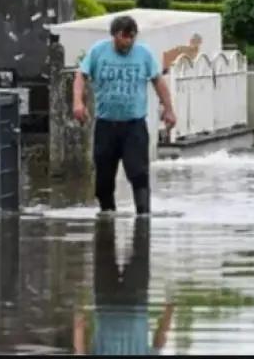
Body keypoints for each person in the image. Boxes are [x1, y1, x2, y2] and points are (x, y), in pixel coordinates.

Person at [72, 15, 176, 216]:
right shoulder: (98, 51)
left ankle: (143, 216)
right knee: (103, 178)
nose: (128, 41)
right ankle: (107, 217)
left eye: (132, 37)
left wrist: (169, 109)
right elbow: (80, 76)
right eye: (124, 37)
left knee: (138, 173)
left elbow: (158, 81)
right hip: (106, 124)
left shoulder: (143, 53)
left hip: (134, 125)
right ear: (114, 35)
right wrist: (78, 102)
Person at [73, 218, 175, 355]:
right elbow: (80, 350)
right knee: (105, 246)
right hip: (109, 306)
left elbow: (160, 341)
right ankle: (108, 211)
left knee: (140, 245)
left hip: (130, 305)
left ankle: (134, 213)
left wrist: (169, 311)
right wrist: (79, 319)